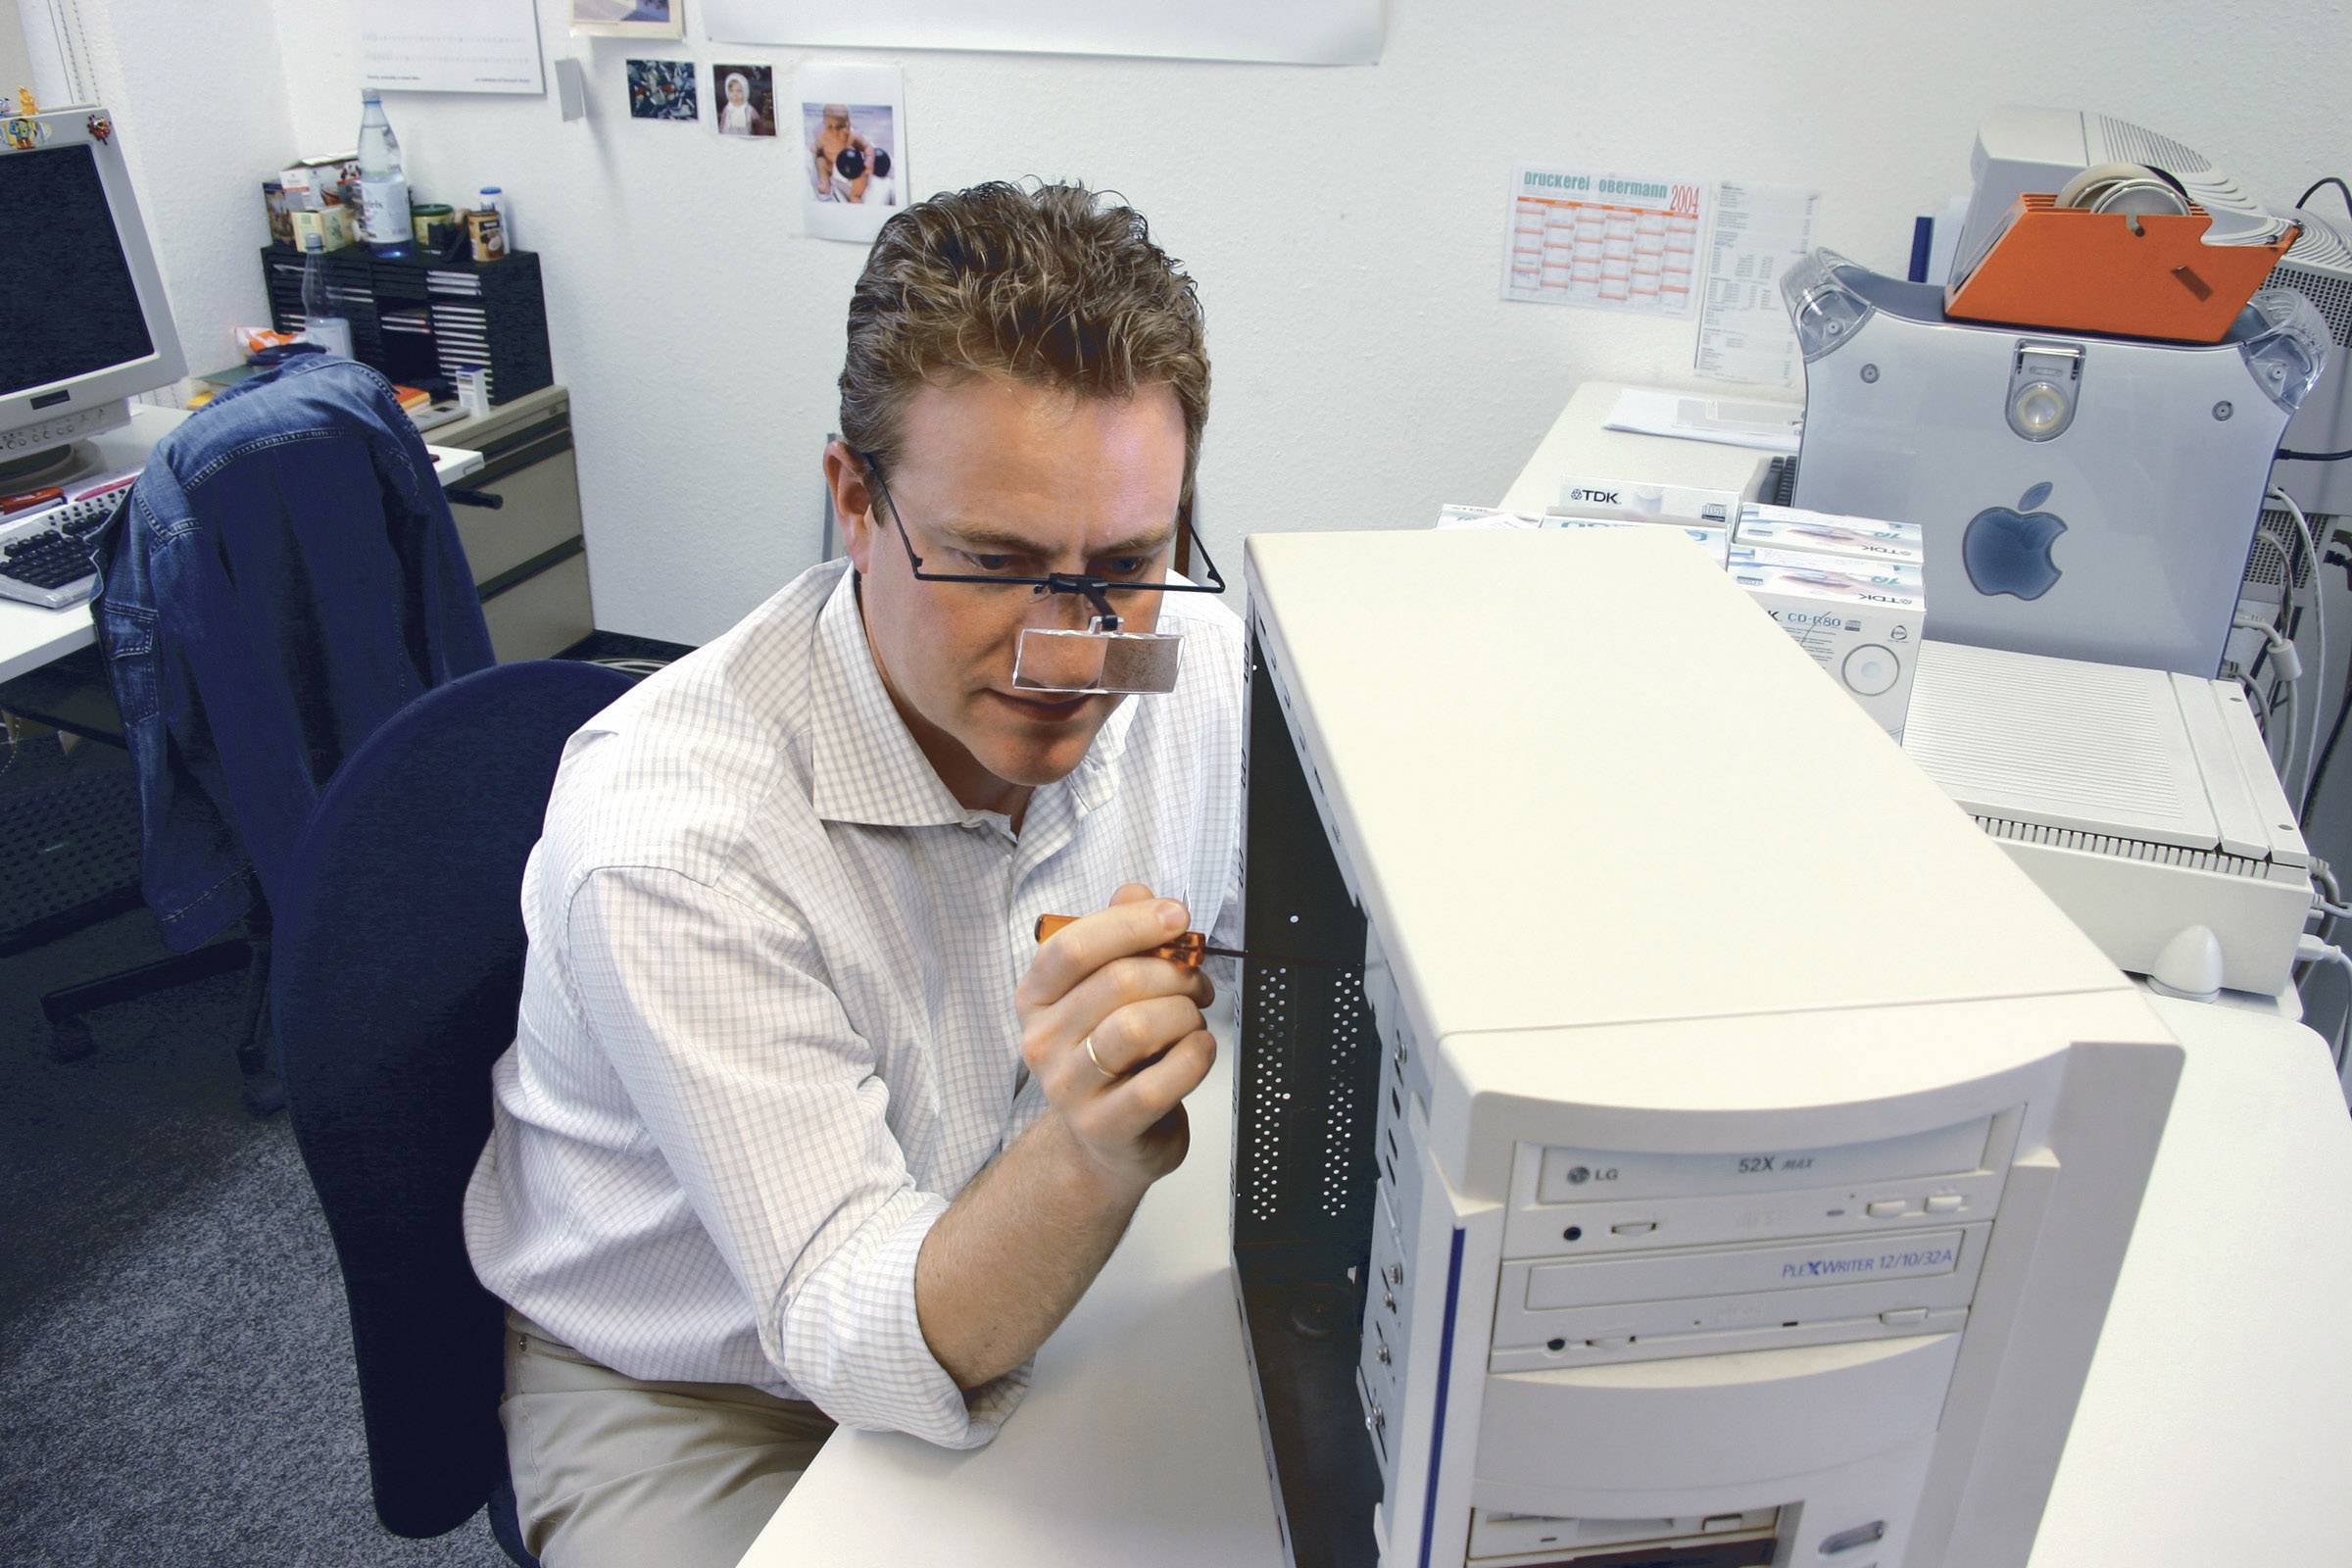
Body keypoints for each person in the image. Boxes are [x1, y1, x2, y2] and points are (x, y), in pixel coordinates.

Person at [464, 179, 1240, 1568]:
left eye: (1124, 562)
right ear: (851, 503)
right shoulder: (674, 840)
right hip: (704, 1385)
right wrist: (1088, 1147)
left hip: (1013, 1251)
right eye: (996, 565)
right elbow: (846, 1321)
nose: (1069, 651)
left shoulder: (1171, 654)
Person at [810, 102, 873, 202]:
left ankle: (856, 195)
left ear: (848, 125)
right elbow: (816, 146)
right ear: (825, 124)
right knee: (820, 161)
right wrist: (814, 148)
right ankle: (825, 183)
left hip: (852, 167)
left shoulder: (853, 137)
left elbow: (867, 147)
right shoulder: (824, 137)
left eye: (840, 127)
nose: (835, 132)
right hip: (830, 164)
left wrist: (869, 160)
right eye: (830, 127)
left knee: (862, 174)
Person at [716, 71, 764, 136]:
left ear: (745, 91)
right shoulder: (727, 109)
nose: (735, 94)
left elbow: (759, 126)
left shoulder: (749, 110)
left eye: (739, 91)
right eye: (731, 91)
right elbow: (722, 125)